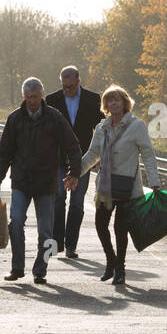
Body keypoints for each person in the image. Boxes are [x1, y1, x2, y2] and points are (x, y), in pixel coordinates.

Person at [0, 77, 82, 284]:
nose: (31, 101)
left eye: (35, 97)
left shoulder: (54, 118)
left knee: (46, 230)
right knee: (15, 223)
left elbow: (72, 146)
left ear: (42, 95)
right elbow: (5, 151)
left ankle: (40, 269)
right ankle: (17, 267)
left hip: (46, 182)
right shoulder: (15, 119)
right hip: (21, 181)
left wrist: (74, 172)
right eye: (28, 97)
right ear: (23, 97)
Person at [78, 85, 159, 284]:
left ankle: (120, 269)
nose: (114, 103)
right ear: (105, 105)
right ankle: (111, 261)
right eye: (110, 100)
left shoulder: (136, 126)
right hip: (106, 186)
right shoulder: (102, 127)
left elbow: (148, 154)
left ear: (125, 103)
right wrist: (75, 174)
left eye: (117, 100)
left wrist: (155, 182)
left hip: (127, 186)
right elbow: (92, 154)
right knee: (100, 225)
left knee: (120, 228)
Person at [46, 66, 104, 258]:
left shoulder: (93, 100)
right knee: (58, 199)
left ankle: (71, 245)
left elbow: (102, 128)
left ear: (79, 82)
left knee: (77, 203)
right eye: (64, 87)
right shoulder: (52, 100)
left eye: (70, 87)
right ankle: (57, 242)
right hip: (59, 159)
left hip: (82, 160)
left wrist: (99, 155)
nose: (67, 90)